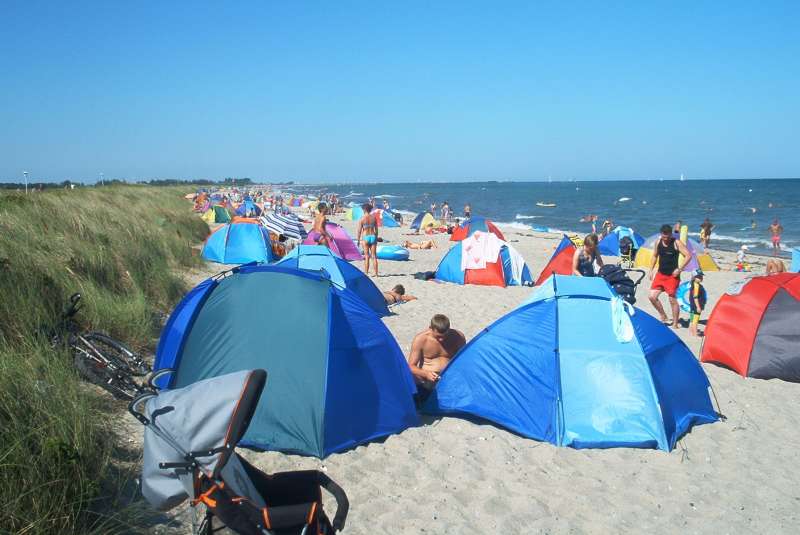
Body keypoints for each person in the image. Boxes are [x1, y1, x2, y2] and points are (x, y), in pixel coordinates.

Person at [407, 315, 466, 403]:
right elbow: (411, 366)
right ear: (430, 328)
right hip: (428, 378)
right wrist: (426, 374)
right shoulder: (421, 339)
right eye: (438, 336)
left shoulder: (458, 337)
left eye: (445, 335)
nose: (441, 339)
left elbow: (464, 358)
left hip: (450, 377)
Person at [648, 224, 692, 328]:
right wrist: (651, 269)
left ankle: (675, 323)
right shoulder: (658, 242)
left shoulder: (676, 243)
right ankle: (663, 316)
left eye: (667, 237)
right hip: (660, 274)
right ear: (661, 234)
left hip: (672, 276)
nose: (666, 239)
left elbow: (688, 255)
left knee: (672, 300)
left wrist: (680, 269)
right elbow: (655, 255)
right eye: (664, 237)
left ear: (671, 234)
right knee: (652, 297)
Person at [357, 203, 379, 277]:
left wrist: (358, 240)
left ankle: (366, 273)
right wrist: (376, 238)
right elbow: (376, 230)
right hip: (373, 236)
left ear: (364, 209)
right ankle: (376, 274)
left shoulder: (362, 218)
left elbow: (359, 231)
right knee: (374, 256)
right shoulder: (374, 218)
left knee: (366, 256)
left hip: (365, 237)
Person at [688, 270, 707, 337]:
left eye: (701, 276)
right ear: (694, 277)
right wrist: (698, 307)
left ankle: (691, 330)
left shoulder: (692, 283)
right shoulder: (697, 286)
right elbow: (695, 297)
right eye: (699, 277)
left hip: (692, 305)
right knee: (695, 320)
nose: (701, 278)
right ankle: (695, 333)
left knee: (691, 319)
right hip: (696, 305)